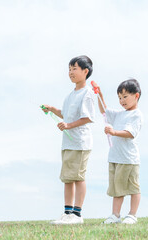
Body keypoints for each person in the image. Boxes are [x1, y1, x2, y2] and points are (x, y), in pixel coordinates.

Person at [42, 55, 95, 224]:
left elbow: (88, 118)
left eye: (75, 69)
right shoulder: (70, 95)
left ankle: (77, 214)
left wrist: (69, 126)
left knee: (78, 177)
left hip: (80, 143)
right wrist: (52, 109)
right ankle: (67, 212)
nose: (71, 72)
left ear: (85, 72)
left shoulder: (87, 93)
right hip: (68, 143)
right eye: (69, 69)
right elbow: (65, 114)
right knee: (67, 178)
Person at [95, 79, 143, 225]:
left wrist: (114, 132)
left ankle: (132, 215)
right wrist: (99, 95)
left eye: (125, 96)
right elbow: (104, 110)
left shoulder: (136, 115)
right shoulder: (119, 114)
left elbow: (130, 133)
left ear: (136, 96)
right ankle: (115, 215)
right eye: (120, 97)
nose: (122, 100)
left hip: (128, 159)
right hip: (115, 158)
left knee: (133, 188)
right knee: (117, 189)